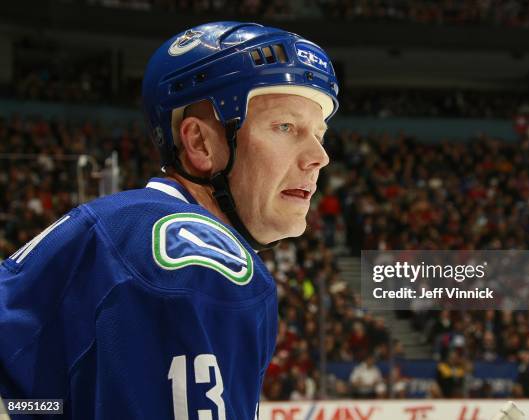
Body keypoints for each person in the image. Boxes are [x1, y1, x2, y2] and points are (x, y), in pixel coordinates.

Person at [0, 21, 339, 419]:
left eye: (320, 133)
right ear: (199, 143)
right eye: (286, 127)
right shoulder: (193, 261)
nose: (319, 156)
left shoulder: (123, 226)